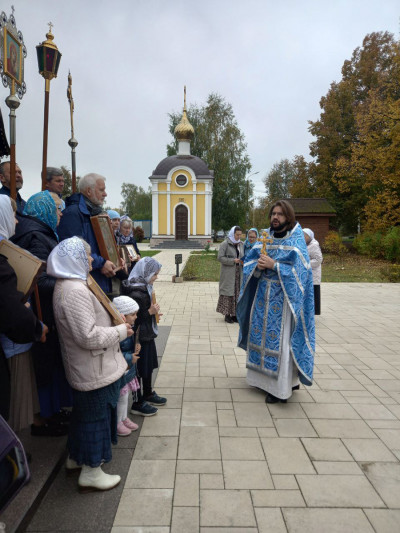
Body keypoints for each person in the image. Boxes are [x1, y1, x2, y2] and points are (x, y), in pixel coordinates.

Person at [47, 236, 133, 492]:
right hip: (92, 366)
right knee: (95, 417)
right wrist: (120, 332)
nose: (89, 260)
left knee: (84, 416)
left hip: (91, 365)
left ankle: (77, 458)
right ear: (72, 259)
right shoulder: (74, 291)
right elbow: (88, 336)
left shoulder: (73, 284)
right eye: (85, 256)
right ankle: (92, 471)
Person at [237, 200, 315, 404]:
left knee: (281, 343)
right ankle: (261, 381)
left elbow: (303, 273)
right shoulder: (265, 237)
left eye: (280, 214)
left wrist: (275, 265)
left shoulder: (296, 239)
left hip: (284, 301)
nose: (275, 217)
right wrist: (258, 267)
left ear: (288, 217)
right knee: (260, 337)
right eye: (273, 214)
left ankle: (280, 389)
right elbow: (249, 263)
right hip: (262, 296)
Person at [12, 190, 72, 436]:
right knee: (45, 365)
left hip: (44, 312)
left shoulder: (40, 232)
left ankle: (51, 412)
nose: (60, 215)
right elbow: (36, 281)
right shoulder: (37, 236)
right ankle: (44, 417)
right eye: (57, 209)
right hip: (41, 313)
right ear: (45, 210)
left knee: (48, 365)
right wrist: (67, 282)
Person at [0, 196, 48, 430]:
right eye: (12, 215)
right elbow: (10, 308)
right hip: (12, 337)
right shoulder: (3, 255)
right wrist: (33, 322)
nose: (17, 222)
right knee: (13, 396)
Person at [58, 173, 117, 294]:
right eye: (101, 190)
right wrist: (101, 263)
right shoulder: (73, 214)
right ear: (89, 191)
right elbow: (74, 250)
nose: (105, 194)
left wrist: (116, 259)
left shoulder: (96, 212)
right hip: (86, 284)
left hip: (99, 281)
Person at [122, 257, 166, 416]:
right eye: (155, 274)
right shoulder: (136, 292)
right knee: (139, 370)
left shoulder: (144, 287)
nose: (156, 277)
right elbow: (133, 320)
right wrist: (149, 312)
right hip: (139, 337)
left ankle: (148, 392)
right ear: (146, 273)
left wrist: (153, 314)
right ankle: (138, 402)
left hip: (147, 334)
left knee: (147, 366)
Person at [112, 296, 141, 436]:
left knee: (125, 396)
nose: (135, 317)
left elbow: (131, 344)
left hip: (127, 370)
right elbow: (115, 353)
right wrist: (130, 358)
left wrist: (137, 345)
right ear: (122, 315)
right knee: (120, 397)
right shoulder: (117, 331)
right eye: (133, 314)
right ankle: (117, 422)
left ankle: (123, 418)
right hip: (120, 370)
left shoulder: (128, 328)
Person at [216, 226, 243, 323]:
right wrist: (232, 261)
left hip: (238, 273)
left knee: (236, 293)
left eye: (240, 235)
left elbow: (242, 256)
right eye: (237, 235)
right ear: (232, 234)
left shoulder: (241, 244)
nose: (238, 237)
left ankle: (234, 314)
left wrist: (242, 261)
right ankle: (227, 315)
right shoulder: (225, 244)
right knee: (228, 293)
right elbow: (220, 258)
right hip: (228, 273)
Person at [303, 228, 323, 315]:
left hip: (314, 274)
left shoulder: (314, 245)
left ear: (309, 236)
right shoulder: (305, 244)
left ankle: (313, 312)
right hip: (307, 274)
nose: (303, 237)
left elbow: (319, 259)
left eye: (305, 236)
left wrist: (306, 264)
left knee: (313, 294)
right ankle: (308, 312)